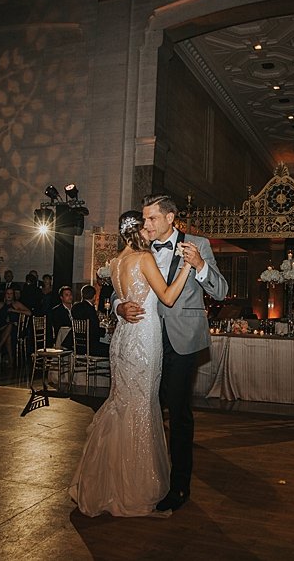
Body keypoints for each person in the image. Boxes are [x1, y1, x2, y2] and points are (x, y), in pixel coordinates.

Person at [70, 210, 197, 517]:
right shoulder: (144, 258)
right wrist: (187, 268)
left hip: (122, 341)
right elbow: (167, 297)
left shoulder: (115, 263)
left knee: (121, 404)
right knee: (140, 407)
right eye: (147, 226)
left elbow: (118, 294)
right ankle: (135, 486)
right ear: (139, 230)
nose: (151, 229)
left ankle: (107, 482)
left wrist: (117, 305)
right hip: (144, 341)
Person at [114, 194, 229, 512]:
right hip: (144, 338)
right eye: (144, 218)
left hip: (181, 340)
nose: (146, 224)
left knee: (177, 413)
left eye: (152, 218)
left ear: (170, 218)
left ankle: (179, 486)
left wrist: (200, 266)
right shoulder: (141, 245)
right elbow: (118, 289)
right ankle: (146, 477)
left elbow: (221, 291)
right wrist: (119, 306)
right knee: (146, 409)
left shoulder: (198, 244)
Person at [0, 287, 31, 369]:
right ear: (5, 295)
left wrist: (14, 311)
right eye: (7, 293)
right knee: (9, 328)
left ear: (13, 295)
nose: (9, 295)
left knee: (10, 329)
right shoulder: (0, 304)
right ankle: (10, 360)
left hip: (15, 330)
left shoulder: (16, 304)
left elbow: (29, 313)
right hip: (2, 329)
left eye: (11, 293)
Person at [71, 284, 108, 357]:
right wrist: (106, 331)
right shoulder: (90, 310)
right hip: (91, 346)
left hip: (77, 345)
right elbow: (94, 330)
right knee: (112, 348)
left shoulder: (75, 307)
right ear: (94, 296)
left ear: (82, 295)